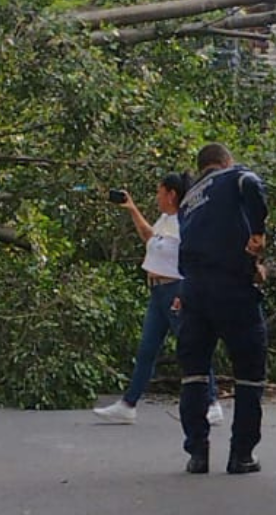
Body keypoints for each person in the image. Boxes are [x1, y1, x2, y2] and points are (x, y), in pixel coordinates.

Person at [93, 174, 224, 426]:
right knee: (146, 350)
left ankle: (212, 402)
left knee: (192, 347)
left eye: (159, 192)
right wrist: (132, 209)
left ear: (171, 194)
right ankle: (128, 405)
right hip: (157, 292)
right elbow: (150, 238)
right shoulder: (165, 220)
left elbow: (194, 260)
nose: (157, 197)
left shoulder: (186, 222)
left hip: (175, 290)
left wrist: (185, 294)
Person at [176, 143, 269, 475]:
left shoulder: (188, 200)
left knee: (195, 374)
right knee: (249, 372)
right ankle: (241, 455)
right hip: (232, 288)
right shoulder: (233, 176)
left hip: (193, 292)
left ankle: (197, 454)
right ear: (224, 161)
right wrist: (257, 234)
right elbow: (252, 185)